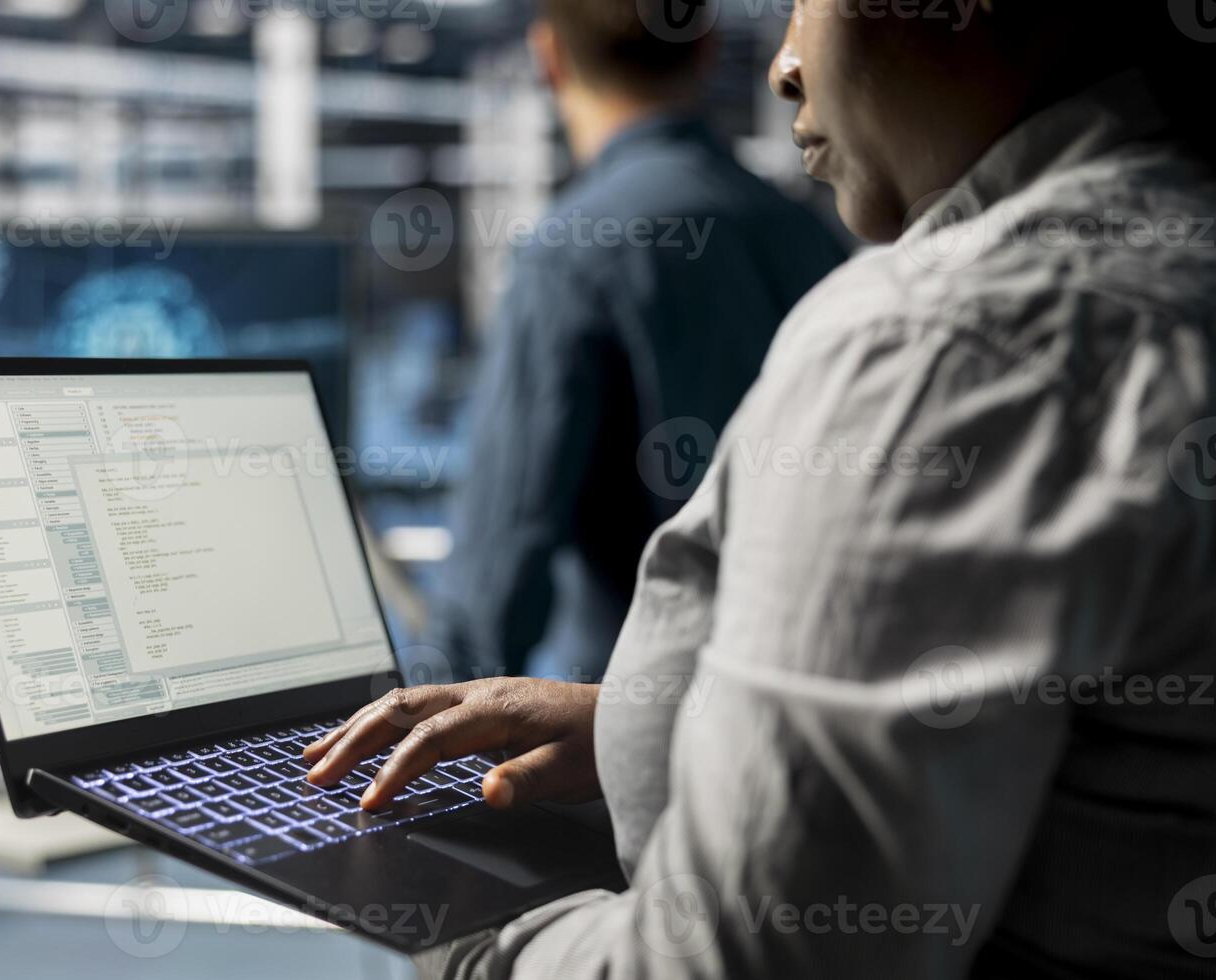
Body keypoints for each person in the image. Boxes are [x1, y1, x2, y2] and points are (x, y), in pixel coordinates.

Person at [308, 2, 1216, 977]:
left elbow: (755, 955)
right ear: (699, 46)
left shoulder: (940, 338)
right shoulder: (804, 224)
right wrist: (640, 722)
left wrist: (460, 930)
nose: (785, 62)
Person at [430, 0, 845, 682]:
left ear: (548, 57)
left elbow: (496, 578)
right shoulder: (802, 232)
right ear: (707, 45)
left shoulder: (571, 253)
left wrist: (418, 740)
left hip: (621, 744)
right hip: (789, 707)